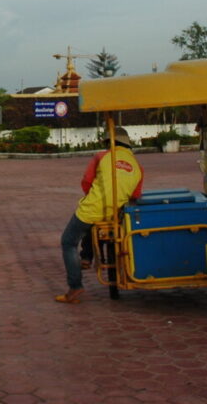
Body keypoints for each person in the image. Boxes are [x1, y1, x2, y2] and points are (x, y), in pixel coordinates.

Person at [56, 127, 144, 304]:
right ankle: (88, 257)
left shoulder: (101, 157)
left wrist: (94, 197)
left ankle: (75, 286)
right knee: (96, 225)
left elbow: (87, 182)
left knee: (68, 242)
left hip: (92, 209)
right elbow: (135, 195)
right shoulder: (137, 165)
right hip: (116, 213)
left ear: (107, 142)